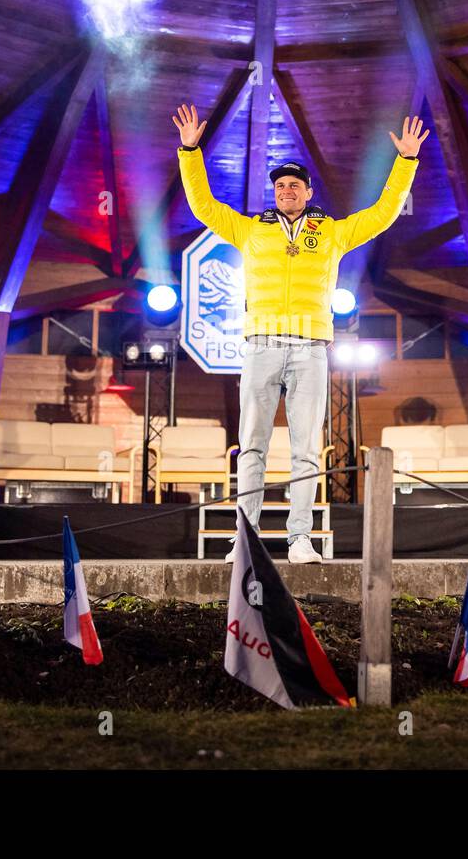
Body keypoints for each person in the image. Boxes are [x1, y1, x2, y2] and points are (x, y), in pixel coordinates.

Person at [174, 102, 427, 563]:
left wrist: (405, 161)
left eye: (294, 185)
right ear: (274, 194)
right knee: (251, 446)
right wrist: (190, 151)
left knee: (306, 451)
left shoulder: (331, 233)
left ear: (308, 191)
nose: (286, 190)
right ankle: (245, 541)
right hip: (260, 348)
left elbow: (382, 214)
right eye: (280, 185)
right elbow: (204, 207)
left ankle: (298, 540)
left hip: (310, 350)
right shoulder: (250, 231)